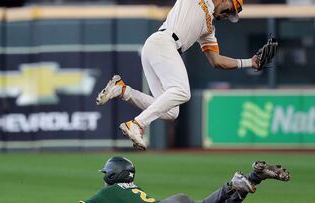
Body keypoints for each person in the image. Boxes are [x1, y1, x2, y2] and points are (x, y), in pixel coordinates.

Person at [95, 0, 273, 150]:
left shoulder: (209, 27)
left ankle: (123, 90)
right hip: (163, 43)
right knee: (182, 91)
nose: (228, 15)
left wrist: (251, 62)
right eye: (230, 10)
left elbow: (216, 61)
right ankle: (137, 124)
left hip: (160, 48)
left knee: (171, 112)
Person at [79, 156, 290, 203]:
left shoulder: (108, 193)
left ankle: (233, 184)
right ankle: (255, 177)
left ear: (111, 174)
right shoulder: (131, 188)